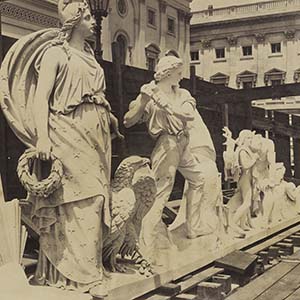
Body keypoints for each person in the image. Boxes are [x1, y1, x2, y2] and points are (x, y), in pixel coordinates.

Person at [0, 0, 121, 297]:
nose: (94, 21)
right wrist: (42, 138)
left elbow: (95, 96)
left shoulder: (90, 56)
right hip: (67, 131)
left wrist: (109, 118)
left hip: (96, 137)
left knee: (97, 197)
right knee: (79, 199)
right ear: (74, 19)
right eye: (89, 16)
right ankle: (82, 275)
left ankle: (88, 269)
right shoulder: (56, 53)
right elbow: (42, 98)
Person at [124, 56, 204, 262]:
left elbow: (188, 115)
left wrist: (166, 103)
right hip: (166, 145)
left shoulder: (182, 93)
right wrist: (143, 100)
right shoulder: (150, 94)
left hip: (183, 142)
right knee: (160, 195)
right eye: (178, 73)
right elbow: (128, 121)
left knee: (198, 180)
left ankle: (191, 227)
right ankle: (145, 248)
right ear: (168, 73)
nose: (181, 76)